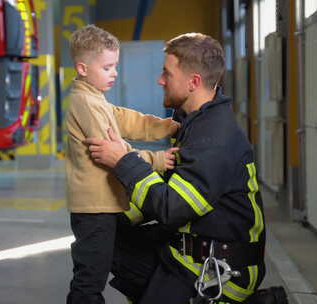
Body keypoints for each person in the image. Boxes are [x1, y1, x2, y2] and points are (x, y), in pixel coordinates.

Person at [83, 32, 266, 304]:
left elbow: (172, 208)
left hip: (218, 272)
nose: (160, 80)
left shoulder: (215, 137)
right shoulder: (196, 125)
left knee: (103, 239)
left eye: (167, 73)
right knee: (100, 232)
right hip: (192, 248)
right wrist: (110, 211)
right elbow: (165, 190)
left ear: (193, 82)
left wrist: (123, 161)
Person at [65, 24, 179, 304]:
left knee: (102, 266)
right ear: (82, 68)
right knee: (89, 279)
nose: (114, 72)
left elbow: (126, 119)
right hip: (94, 209)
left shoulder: (95, 98)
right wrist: (156, 160)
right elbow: (113, 150)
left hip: (104, 203)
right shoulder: (86, 103)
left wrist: (167, 127)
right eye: (107, 67)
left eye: (115, 65)